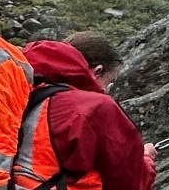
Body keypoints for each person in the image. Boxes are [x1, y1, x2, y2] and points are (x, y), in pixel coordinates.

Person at [15, 32, 156, 190]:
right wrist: (146, 159)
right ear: (97, 71)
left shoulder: (23, 88)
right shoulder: (95, 106)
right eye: (109, 82)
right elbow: (131, 183)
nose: (106, 90)